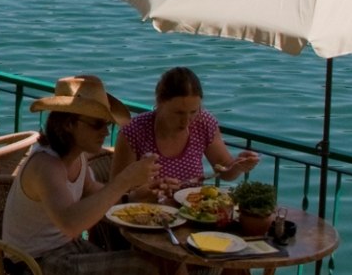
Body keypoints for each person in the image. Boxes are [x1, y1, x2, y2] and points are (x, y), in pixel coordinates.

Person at [4, 75, 188, 275]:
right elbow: (71, 223)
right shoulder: (46, 166)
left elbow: (99, 196)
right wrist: (123, 181)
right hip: (34, 269)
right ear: (69, 124)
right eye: (98, 124)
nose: (105, 131)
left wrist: (138, 194)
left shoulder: (77, 160)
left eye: (107, 124)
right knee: (138, 269)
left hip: (66, 252)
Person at [111, 66, 260, 196]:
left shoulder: (203, 122)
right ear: (159, 102)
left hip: (191, 211)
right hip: (144, 215)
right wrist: (147, 191)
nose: (186, 121)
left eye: (193, 111)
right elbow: (116, 191)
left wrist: (239, 166)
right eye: (179, 113)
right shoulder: (133, 131)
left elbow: (225, 170)